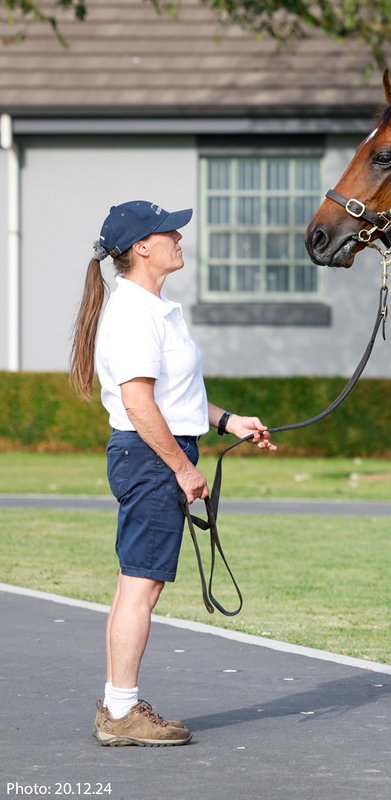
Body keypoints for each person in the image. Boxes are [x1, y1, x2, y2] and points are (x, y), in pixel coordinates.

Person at [69, 200, 278, 747]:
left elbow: (174, 396)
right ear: (142, 247)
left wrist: (229, 421)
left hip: (153, 452)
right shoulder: (135, 313)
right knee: (141, 584)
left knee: (136, 582)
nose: (179, 238)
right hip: (151, 456)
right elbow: (140, 404)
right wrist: (184, 468)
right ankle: (120, 713)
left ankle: (119, 705)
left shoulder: (155, 309)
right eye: (170, 232)